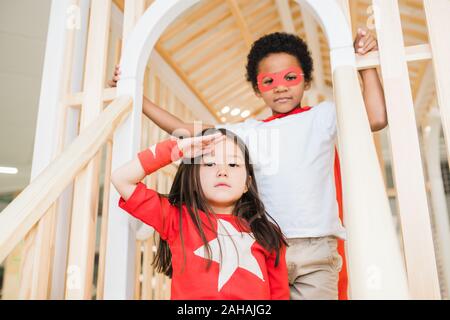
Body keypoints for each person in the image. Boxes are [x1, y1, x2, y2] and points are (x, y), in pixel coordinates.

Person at [109, 28, 387, 300]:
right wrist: (137, 97)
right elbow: (184, 129)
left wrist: (366, 64)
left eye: (290, 77)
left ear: (307, 80)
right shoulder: (248, 132)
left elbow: (374, 118)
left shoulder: (323, 116)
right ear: (257, 89)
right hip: (261, 244)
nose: (280, 86)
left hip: (316, 250)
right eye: (269, 81)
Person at [111, 128, 290, 300]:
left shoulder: (267, 233)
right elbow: (122, 179)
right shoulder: (176, 219)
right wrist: (177, 149)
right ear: (193, 178)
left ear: (247, 183)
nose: (222, 171)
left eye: (233, 164)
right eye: (210, 163)